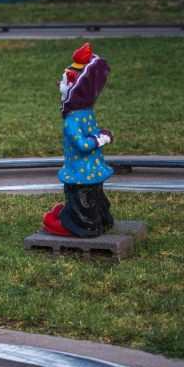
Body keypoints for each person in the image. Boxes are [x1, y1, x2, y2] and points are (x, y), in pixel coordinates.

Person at [42, 43, 115, 237]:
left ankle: (82, 225)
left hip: (79, 172)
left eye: (64, 82)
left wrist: (100, 139)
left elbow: (83, 144)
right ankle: (101, 218)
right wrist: (102, 136)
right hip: (94, 167)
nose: (60, 85)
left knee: (79, 196)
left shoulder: (71, 121)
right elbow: (95, 133)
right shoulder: (87, 113)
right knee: (95, 196)